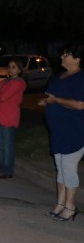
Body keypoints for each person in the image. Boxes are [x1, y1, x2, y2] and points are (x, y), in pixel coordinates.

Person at [38, 45, 84, 222]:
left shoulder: (80, 78)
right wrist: (47, 101)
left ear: (77, 59)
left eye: (67, 55)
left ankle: (71, 207)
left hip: (74, 131)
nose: (62, 57)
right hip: (58, 131)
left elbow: (80, 104)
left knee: (69, 169)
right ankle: (60, 203)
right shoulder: (59, 77)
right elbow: (52, 96)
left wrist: (56, 100)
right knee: (60, 169)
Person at [0, 58, 26, 179]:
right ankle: (2, 169)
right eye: (9, 66)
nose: (10, 69)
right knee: (3, 145)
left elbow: (2, 96)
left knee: (7, 146)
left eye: (14, 67)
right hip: (0, 114)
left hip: (9, 116)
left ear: (19, 70)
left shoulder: (19, 83)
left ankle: (7, 171)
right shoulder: (5, 81)